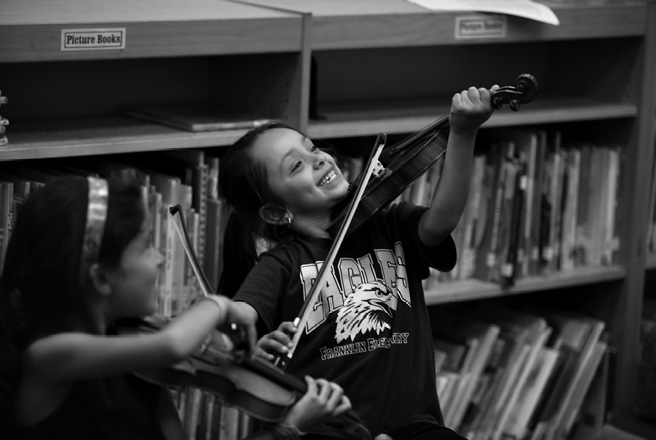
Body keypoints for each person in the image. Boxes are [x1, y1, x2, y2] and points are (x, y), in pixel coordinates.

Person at [218, 85, 497, 440]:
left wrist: (463, 132)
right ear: (276, 211)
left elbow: (442, 219)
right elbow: (236, 316)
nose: (319, 158)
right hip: (328, 433)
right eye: (296, 165)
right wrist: (248, 350)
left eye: (312, 147)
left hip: (413, 428)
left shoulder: (390, 226)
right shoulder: (282, 265)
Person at [0, 175, 352, 440]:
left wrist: (281, 415)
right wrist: (219, 304)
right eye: (146, 246)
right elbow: (173, 344)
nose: (162, 257)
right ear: (102, 278)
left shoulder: (141, 367)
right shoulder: (49, 355)